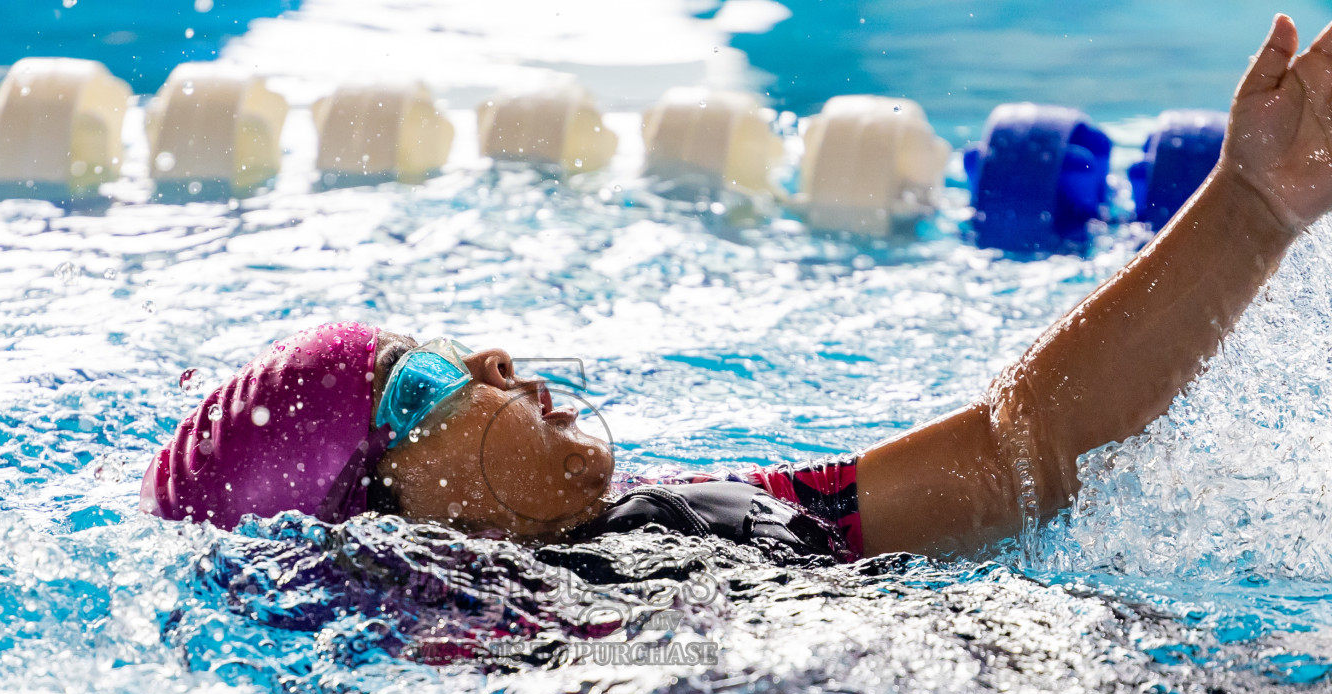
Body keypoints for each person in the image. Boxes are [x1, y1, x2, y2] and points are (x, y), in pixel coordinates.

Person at [143, 15, 1331, 563]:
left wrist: (1250, 207)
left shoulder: (717, 513)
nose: (492, 360)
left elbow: (1028, 452)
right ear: (382, 521)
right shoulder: (504, 669)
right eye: (425, 384)